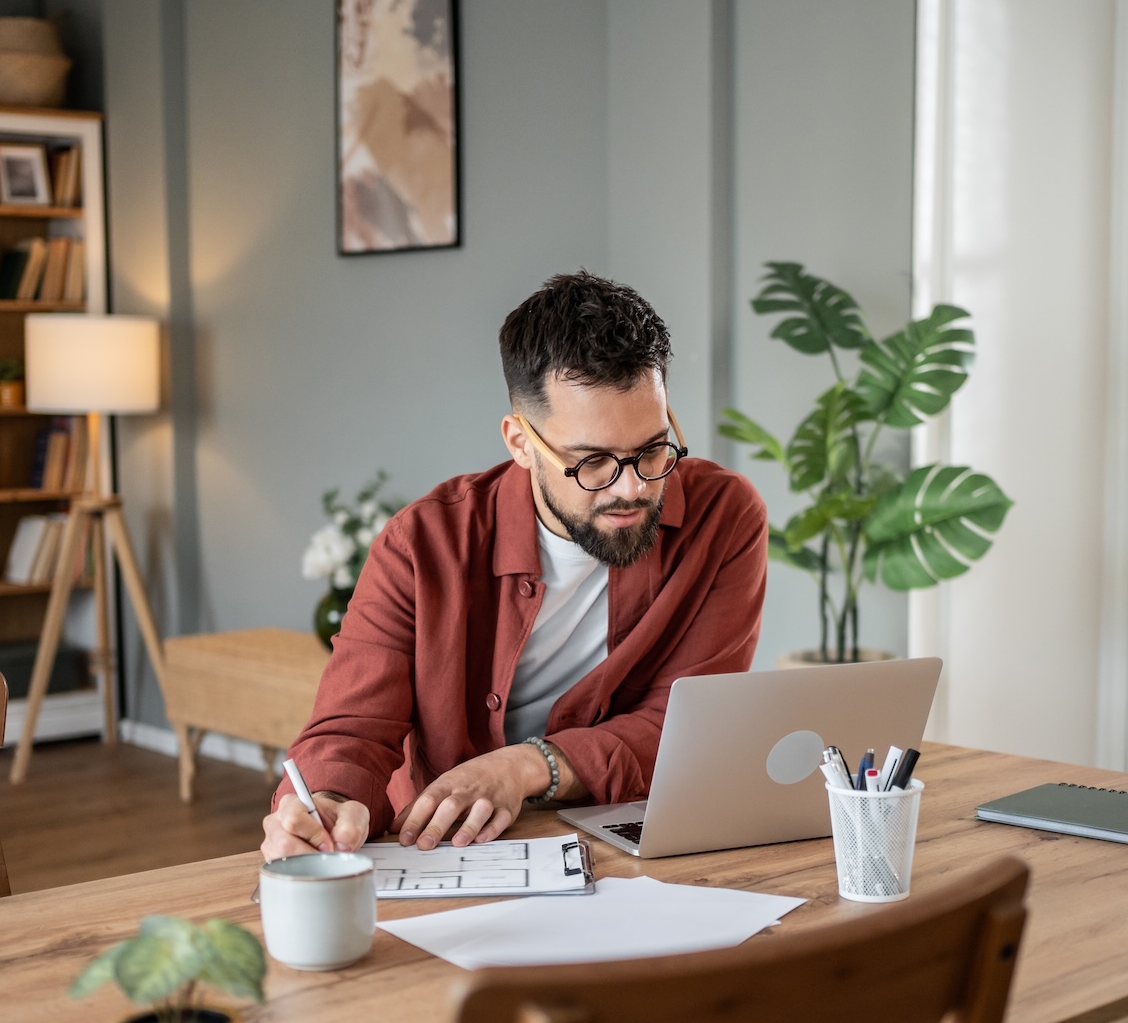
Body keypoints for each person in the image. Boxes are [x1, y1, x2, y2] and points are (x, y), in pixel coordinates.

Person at [260, 271, 768, 859]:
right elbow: (351, 728)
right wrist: (325, 798)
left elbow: (685, 727)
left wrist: (528, 766)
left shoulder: (724, 516)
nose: (630, 486)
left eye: (653, 449)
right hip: (453, 849)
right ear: (520, 442)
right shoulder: (422, 544)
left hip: (631, 838)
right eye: (593, 461)